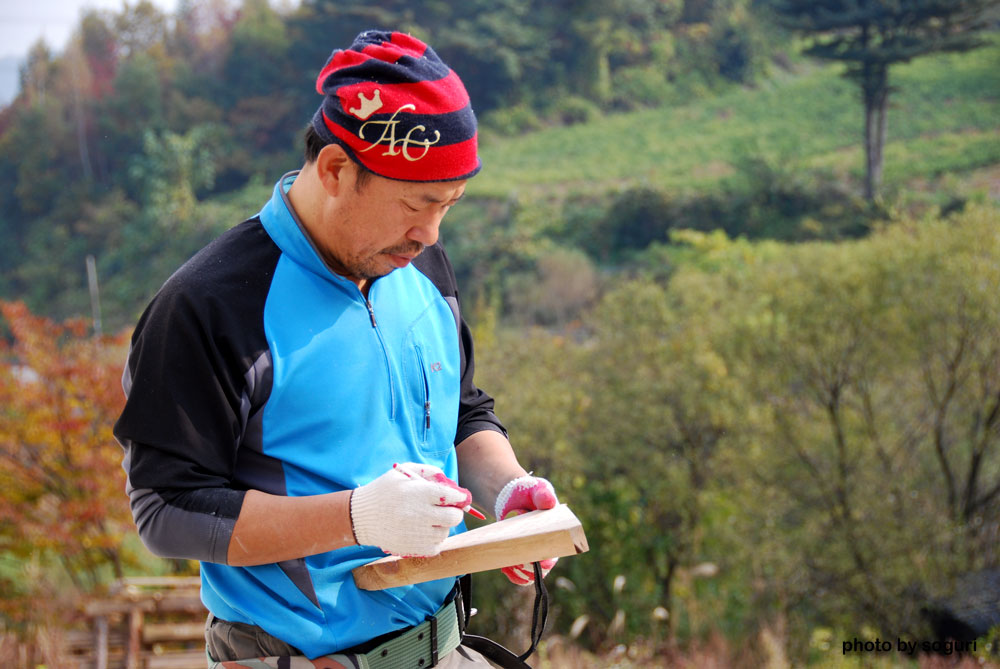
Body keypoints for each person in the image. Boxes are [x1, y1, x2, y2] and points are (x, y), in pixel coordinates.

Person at [113, 30, 560, 668]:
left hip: (445, 648)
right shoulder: (209, 305)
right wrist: (358, 518)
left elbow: (459, 414)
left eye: (448, 206)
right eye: (415, 203)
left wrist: (508, 493)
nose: (429, 233)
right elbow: (166, 508)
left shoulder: (422, 264)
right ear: (334, 171)